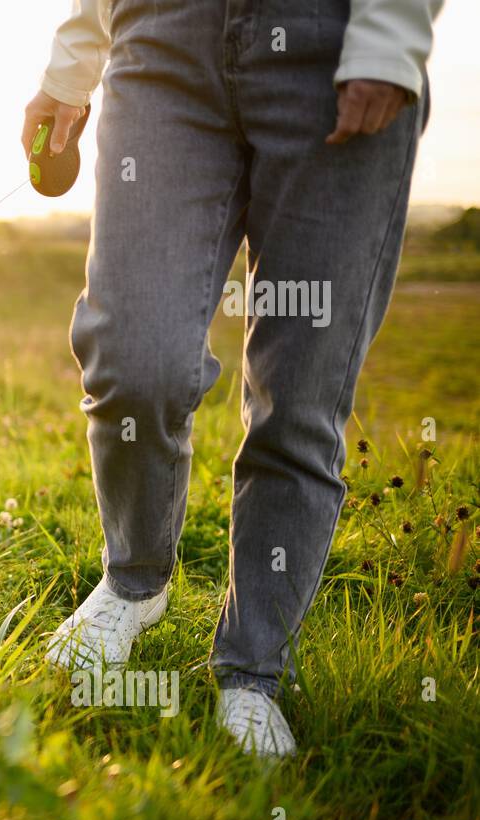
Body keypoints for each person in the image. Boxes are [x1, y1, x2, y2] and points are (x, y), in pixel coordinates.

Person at [23, 0, 442, 756]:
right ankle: (133, 583)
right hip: (162, 39)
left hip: (335, 38)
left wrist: (390, 35)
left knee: (300, 396)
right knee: (133, 358)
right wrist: (72, 63)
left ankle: (252, 670)